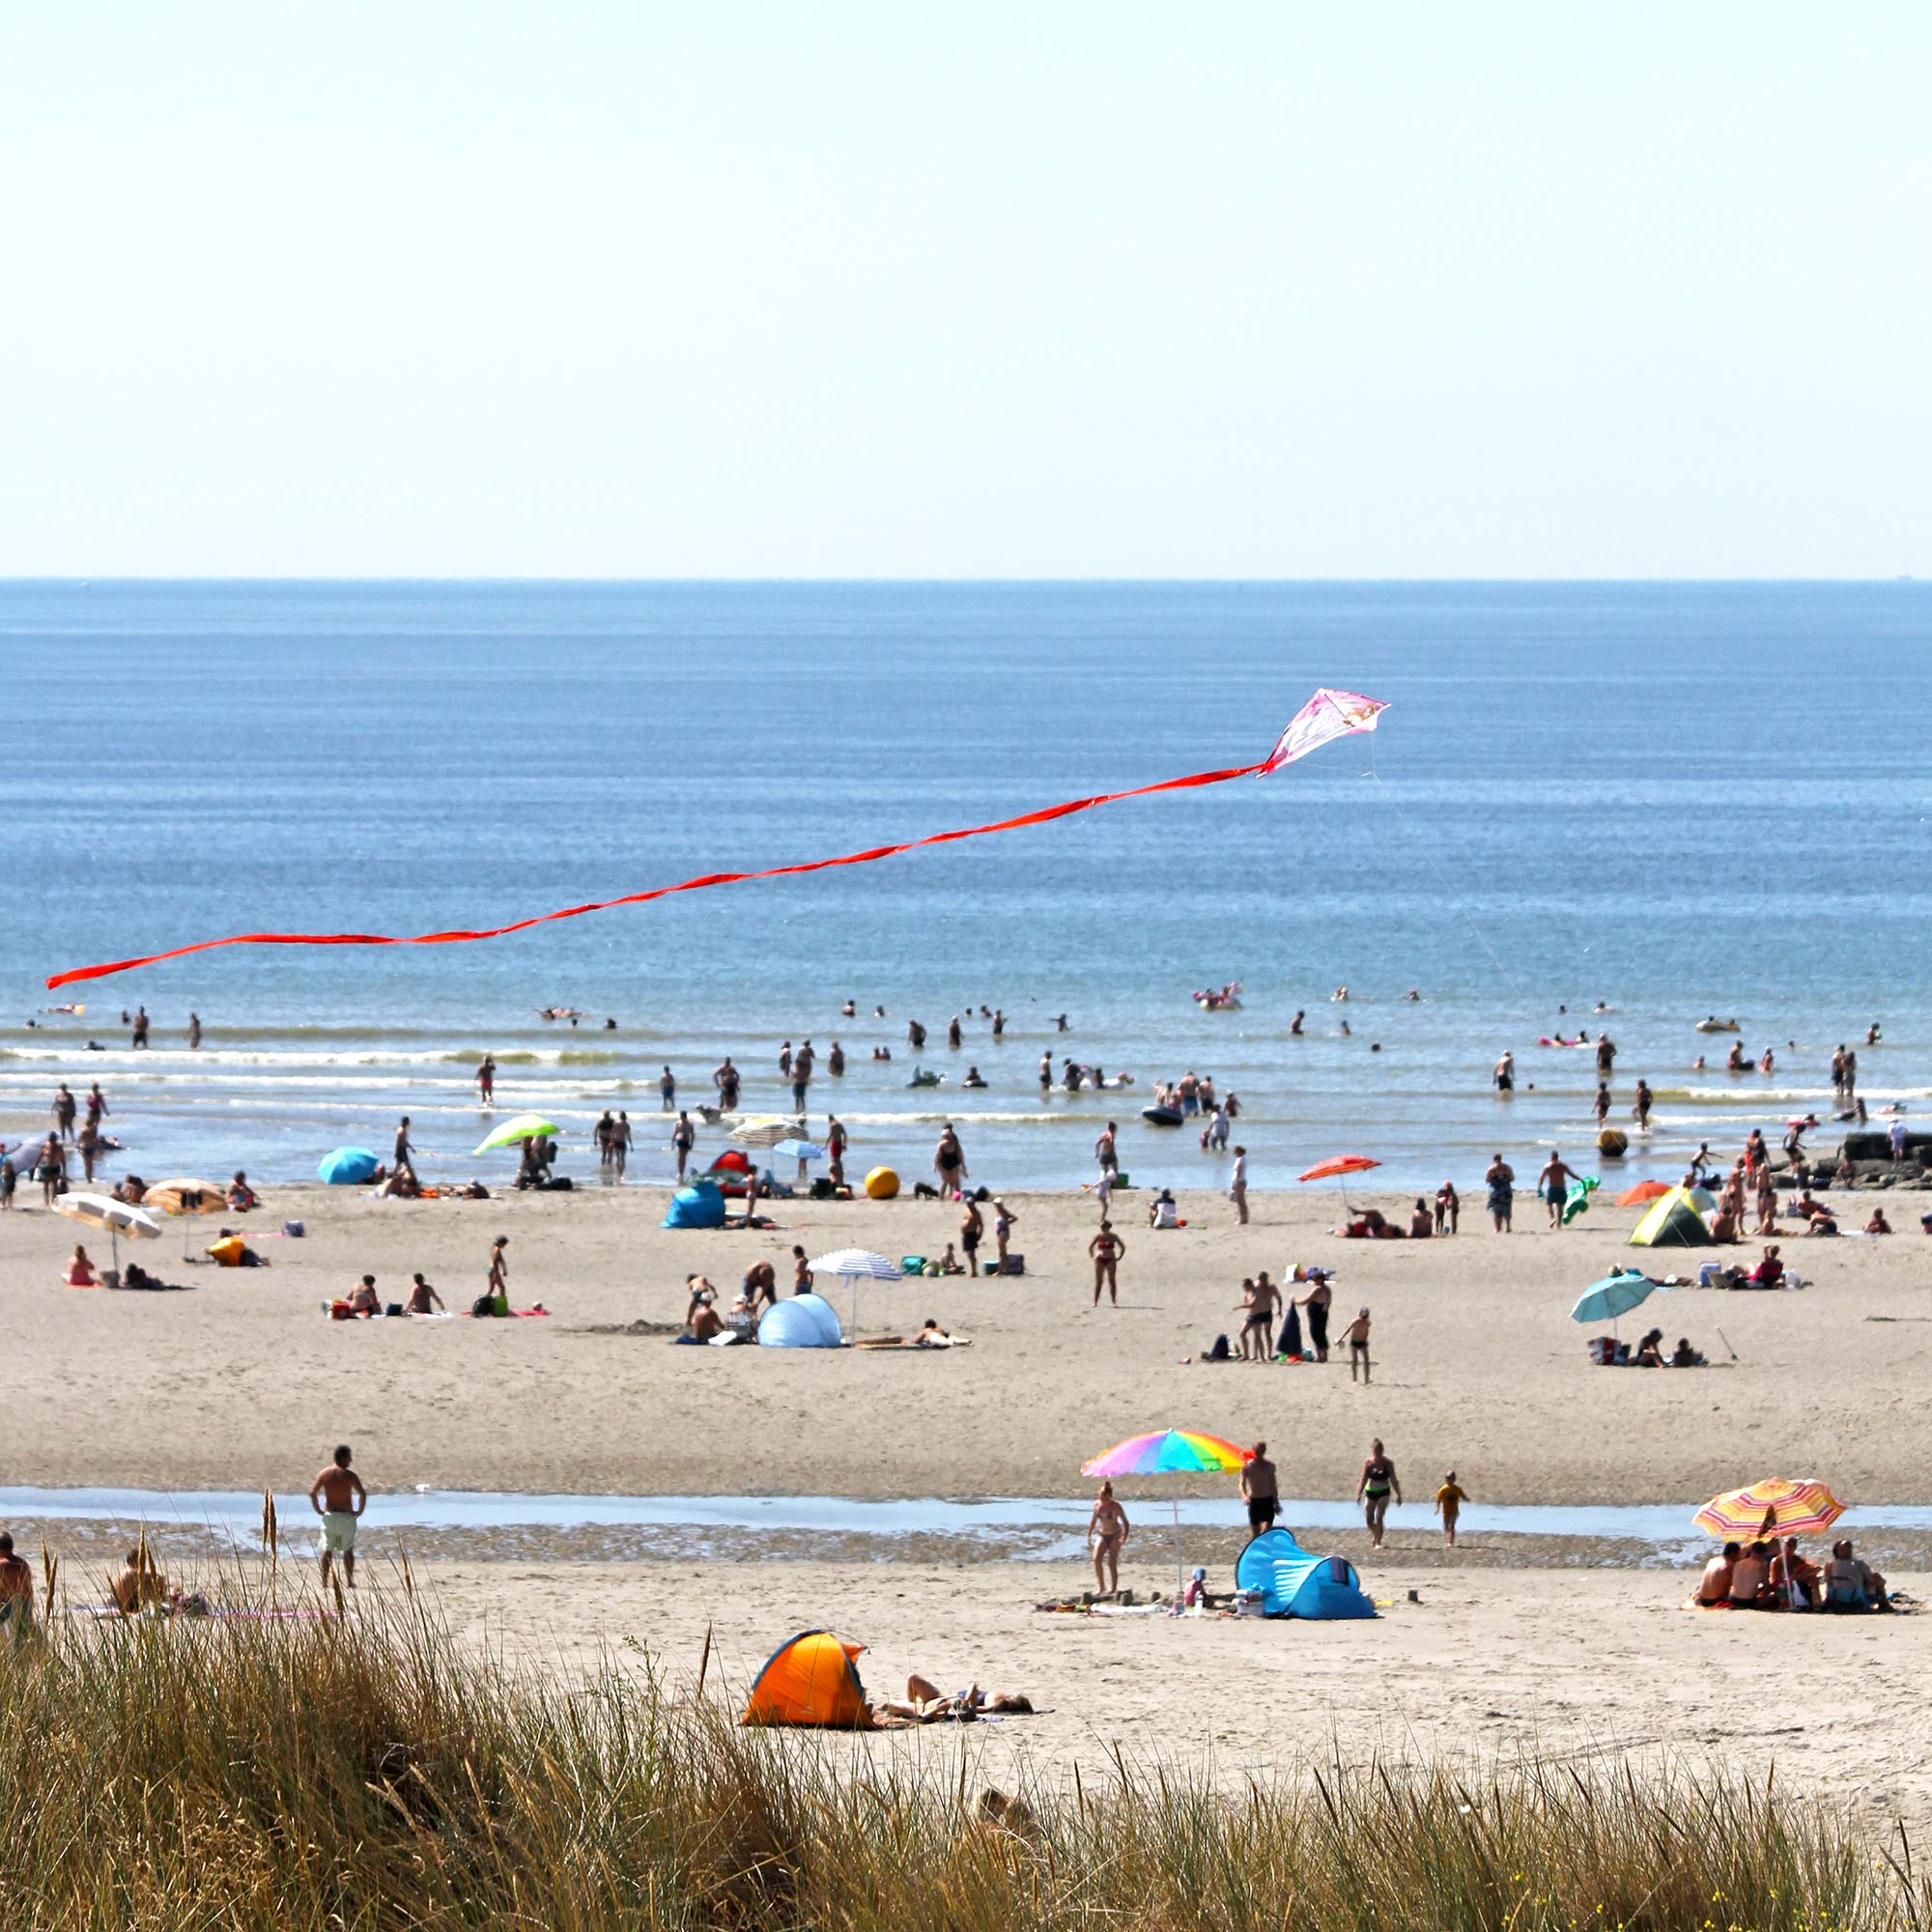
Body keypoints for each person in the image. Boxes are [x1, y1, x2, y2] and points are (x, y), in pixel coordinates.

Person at [309, 1445, 367, 1589]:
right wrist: (359, 1511)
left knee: (327, 1549)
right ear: (342, 1458)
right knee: (348, 1550)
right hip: (346, 1517)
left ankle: (324, 1581)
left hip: (330, 1516)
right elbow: (362, 1494)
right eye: (348, 1457)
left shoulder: (325, 1473)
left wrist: (318, 1510)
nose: (351, 1460)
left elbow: (312, 1492)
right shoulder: (349, 1475)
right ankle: (349, 1581)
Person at [1087, 1481, 1129, 1596]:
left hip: (1115, 1534)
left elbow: (1126, 1522)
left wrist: (1124, 1537)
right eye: (1101, 1499)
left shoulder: (1116, 1506)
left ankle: (1113, 1588)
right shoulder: (1097, 1505)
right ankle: (1101, 1587)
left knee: (1112, 1562)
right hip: (1102, 1534)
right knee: (1096, 1559)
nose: (1103, 1502)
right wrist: (1089, 1534)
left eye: (1106, 1499)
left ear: (1110, 1497)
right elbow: (1093, 1520)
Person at [1357, 1439, 1400, 1548]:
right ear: (1372, 1450)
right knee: (1369, 1519)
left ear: (1383, 1450)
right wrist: (1359, 1493)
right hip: (1370, 1492)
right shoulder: (1368, 1463)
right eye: (1376, 1450)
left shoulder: (1388, 1463)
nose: (1378, 1452)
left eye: (1380, 1450)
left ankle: (1378, 1542)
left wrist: (1399, 1494)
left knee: (1379, 1516)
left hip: (1384, 1491)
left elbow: (1394, 1479)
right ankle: (1376, 1533)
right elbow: (1363, 1479)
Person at [1824, 1540, 1888, 1610]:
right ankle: (1885, 1603)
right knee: (1875, 1578)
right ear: (1850, 1550)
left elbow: (1829, 1585)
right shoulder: (1859, 1564)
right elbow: (1872, 1580)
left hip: (1836, 1599)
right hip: (1856, 1599)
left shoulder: (1829, 1566)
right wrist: (1882, 1582)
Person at [1240, 1441, 1278, 1538]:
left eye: (1261, 1450)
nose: (1259, 1452)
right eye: (1257, 1450)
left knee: (1266, 1531)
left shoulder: (1269, 1466)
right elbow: (1241, 1484)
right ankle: (1254, 1551)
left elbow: (1273, 1485)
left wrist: (1276, 1502)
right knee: (1255, 1533)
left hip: (1267, 1500)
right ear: (1253, 1451)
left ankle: (1266, 1551)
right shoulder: (1247, 1466)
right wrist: (1244, 1496)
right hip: (1254, 1501)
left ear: (1264, 1451)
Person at [1771, 1536, 1820, 1609]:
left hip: (1794, 1584)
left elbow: (1817, 1567)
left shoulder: (1797, 1559)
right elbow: (1776, 1582)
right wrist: (1792, 1578)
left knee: (1813, 1578)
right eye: (1786, 1545)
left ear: (1795, 1547)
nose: (1787, 1548)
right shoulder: (1777, 1561)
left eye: (1791, 1546)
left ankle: (1817, 1603)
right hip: (1781, 1586)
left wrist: (1805, 1574)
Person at [0, 1532, 32, 1640]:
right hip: (24, 1608)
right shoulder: (23, 1564)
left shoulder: (2, 1565)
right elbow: (29, 1590)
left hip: (5, 1609)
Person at [1537, 1149, 1579, 1229]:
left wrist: (1539, 1187)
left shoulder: (1547, 1166)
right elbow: (1571, 1174)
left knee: (1549, 1204)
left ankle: (1552, 1218)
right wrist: (1580, 1179)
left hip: (1552, 1188)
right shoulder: (1563, 1166)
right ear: (1557, 1157)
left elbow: (1541, 1178)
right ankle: (1559, 1224)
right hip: (1561, 1188)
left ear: (1551, 1157)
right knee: (1560, 1206)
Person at [1296, 1269, 1332, 1360]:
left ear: (1320, 1280)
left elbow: (1307, 1300)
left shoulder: (1317, 1289)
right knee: (1322, 1333)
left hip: (1316, 1313)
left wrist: (1295, 1302)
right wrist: (1326, 1308)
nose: (1314, 1282)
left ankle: (1320, 1356)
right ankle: (1325, 1355)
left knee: (1315, 1334)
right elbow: (1328, 1301)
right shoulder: (1327, 1288)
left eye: (1315, 1280)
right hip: (1323, 1313)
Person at [1089, 1220, 1124, 1307]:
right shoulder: (1098, 1236)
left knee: (1111, 1280)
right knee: (1098, 1281)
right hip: (1100, 1259)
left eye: (1104, 1227)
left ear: (1108, 1228)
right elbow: (1090, 1247)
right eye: (1101, 1227)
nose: (1102, 1229)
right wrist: (1093, 1257)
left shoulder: (1113, 1236)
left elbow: (1122, 1247)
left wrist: (1119, 1257)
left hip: (1110, 1259)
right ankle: (1095, 1301)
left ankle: (1113, 1301)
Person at [1727, 1540, 1771, 1606]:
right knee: (1772, 1597)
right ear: (1763, 1554)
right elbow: (1766, 1586)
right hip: (1748, 1601)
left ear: (1751, 1551)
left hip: (1732, 1599)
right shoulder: (1761, 1565)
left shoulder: (1738, 1563)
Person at [1697, 1541, 1741, 1605]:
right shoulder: (1730, 1565)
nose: (1738, 1557)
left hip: (1702, 1598)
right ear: (1733, 1554)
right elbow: (1731, 1586)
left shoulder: (1712, 1560)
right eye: (1738, 1554)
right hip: (1714, 1600)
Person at [1434, 1469, 1467, 1548]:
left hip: (1454, 1511)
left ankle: (1450, 1543)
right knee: (1446, 1527)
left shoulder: (1457, 1489)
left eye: (1450, 1478)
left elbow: (1463, 1495)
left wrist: (1467, 1499)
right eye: (1447, 1478)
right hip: (1446, 1512)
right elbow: (1438, 1501)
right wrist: (1437, 1508)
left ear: (1454, 1479)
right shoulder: (1443, 1490)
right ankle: (1449, 1538)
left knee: (1451, 1526)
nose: (1449, 1480)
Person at [1342, 1306, 1373, 1383]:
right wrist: (1340, 1338)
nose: (1364, 1318)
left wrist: (1366, 1339)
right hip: (1354, 1342)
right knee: (1355, 1361)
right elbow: (1347, 1330)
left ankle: (1367, 1379)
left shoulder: (1368, 1323)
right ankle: (1355, 1379)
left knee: (1366, 1360)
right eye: (1363, 1316)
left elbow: (1366, 1331)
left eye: (1366, 1316)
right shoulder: (1355, 1321)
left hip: (1362, 1342)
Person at [1485, 1153, 1514, 1233]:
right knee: (1507, 1208)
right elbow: (1511, 1178)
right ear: (1501, 1159)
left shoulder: (1491, 1169)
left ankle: (1497, 1228)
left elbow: (1487, 1180)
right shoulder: (1507, 1168)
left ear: (1494, 1159)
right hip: (1506, 1190)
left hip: (1495, 1191)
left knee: (1496, 1211)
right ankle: (1508, 1226)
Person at [959, 1198, 983, 1273]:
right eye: (967, 1203)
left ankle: (974, 1271)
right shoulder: (967, 1210)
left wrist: (980, 1234)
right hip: (965, 1235)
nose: (968, 1205)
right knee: (968, 1254)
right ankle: (973, 1270)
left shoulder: (976, 1213)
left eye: (970, 1203)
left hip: (971, 1234)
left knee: (971, 1254)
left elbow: (981, 1225)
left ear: (973, 1204)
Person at [487, 1235, 510, 1316]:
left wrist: (504, 1269)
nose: (505, 1246)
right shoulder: (497, 1250)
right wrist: (496, 1273)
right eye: (504, 1244)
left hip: (490, 1269)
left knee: (491, 1289)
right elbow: (495, 1262)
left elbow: (501, 1260)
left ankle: (482, 1302)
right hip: (494, 1270)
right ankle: (501, 1307)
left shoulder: (494, 1247)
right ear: (501, 1243)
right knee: (502, 1288)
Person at [992, 1199, 1016, 1272]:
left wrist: (1007, 1222)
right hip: (999, 1233)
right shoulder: (998, 1212)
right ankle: (1006, 1269)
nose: (996, 1206)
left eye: (997, 1204)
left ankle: (1000, 1270)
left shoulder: (1004, 1211)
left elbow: (1014, 1218)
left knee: (1002, 1252)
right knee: (1002, 1251)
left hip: (1003, 1232)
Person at [1228, 1145, 1249, 1225]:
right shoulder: (1242, 1158)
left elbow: (1238, 1171)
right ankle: (1244, 1218)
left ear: (1238, 1151)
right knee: (1241, 1201)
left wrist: (1235, 1182)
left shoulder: (1240, 1159)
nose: (1233, 1152)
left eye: (1234, 1151)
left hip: (1239, 1181)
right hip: (1241, 1181)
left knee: (1240, 1201)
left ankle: (1242, 1219)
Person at [671, 1111, 696, 1181]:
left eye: (682, 1116)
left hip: (686, 1142)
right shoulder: (678, 1123)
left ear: (685, 1116)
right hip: (679, 1141)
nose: (681, 1118)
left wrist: (691, 1144)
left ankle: (682, 1172)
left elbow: (692, 1135)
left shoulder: (690, 1125)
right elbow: (675, 1133)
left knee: (683, 1158)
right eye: (680, 1116)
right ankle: (680, 1173)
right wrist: (672, 1142)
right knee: (680, 1158)